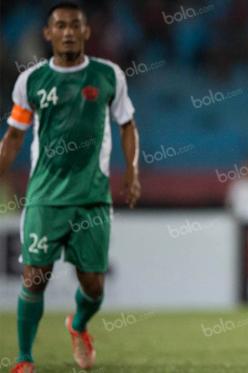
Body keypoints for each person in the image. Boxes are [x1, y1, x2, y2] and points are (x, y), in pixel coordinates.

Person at [0, 2, 141, 372]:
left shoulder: (108, 75)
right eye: (59, 25)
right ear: (47, 33)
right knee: (34, 277)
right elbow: (14, 136)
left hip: (92, 198)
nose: (67, 32)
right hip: (45, 197)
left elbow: (127, 124)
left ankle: (78, 325)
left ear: (85, 31)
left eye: (74, 25)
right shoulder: (30, 81)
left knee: (93, 285)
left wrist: (132, 172)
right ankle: (24, 359)